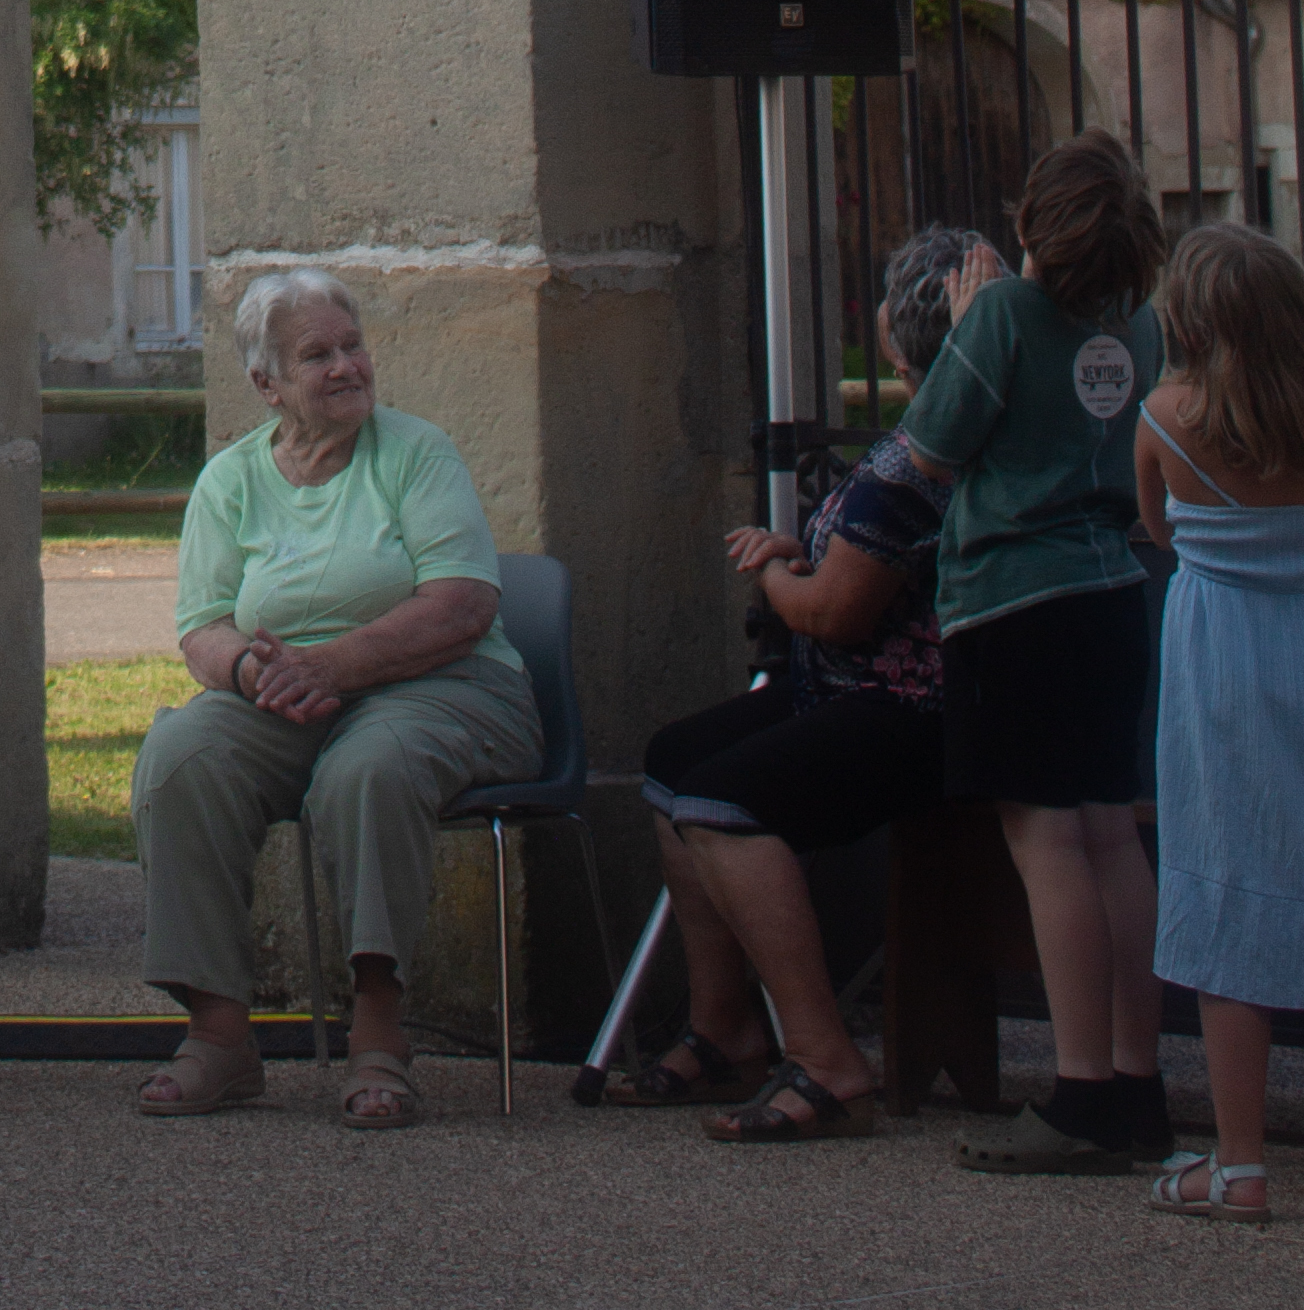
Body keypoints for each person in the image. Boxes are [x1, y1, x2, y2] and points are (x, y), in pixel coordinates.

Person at [130, 270, 541, 1131]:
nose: (347, 366)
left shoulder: (417, 452)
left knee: (369, 768)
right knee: (180, 760)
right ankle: (218, 1035)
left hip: (444, 686)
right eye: (318, 354)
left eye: (352, 346)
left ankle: (379, 1028)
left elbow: (464, 604)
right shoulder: (230, 481)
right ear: (266, 385)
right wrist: (253, 675)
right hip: (285, 700)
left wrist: (329, 668)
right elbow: (203, 626)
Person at [622, 222, 997, 1141]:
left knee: (718, 802)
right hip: (856, 689)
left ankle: (827, 1059)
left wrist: (775, 576)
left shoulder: (929, 451)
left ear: (889, 333)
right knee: (674, 762)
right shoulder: (943, 424)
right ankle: (725, 1028)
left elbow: (836, 614)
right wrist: (809, 554)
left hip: (910, 712)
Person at [898, 127, 1171, 1176]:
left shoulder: (1006, 311)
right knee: (1112, 839)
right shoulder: (1139, 321)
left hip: (1015, 602)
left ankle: (1078, 1091)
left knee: (1047, 844)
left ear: (1033, 223)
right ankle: (1137, 1081)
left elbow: (930, 446)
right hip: (1111, 595)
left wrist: (968, 323)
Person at [1135, 220, 1304, 1224]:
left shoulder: (1165, 417)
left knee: (1229, 883)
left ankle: (1238, 1163)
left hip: (1222, 664)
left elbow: (1158, 531)